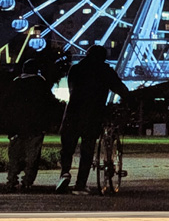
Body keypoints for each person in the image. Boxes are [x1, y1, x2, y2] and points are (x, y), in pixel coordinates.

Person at [55, 45, 130, 195]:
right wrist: (129, 99)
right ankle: (80, 184)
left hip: (73, 112)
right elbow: (119, 88)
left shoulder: (75, 69)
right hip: (93, 114)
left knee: (67, 147)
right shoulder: (105, 71)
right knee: (87, 149)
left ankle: (65, 173)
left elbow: (72, 89)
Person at [4, 58, 57, 192]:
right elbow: (49, 103)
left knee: (15, 154)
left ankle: (12, 179)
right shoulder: (41, 83)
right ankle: (27, 181)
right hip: (36, 125)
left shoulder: (15, 83)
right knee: (32, 155)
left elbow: (7, 104)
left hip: (17, 126)